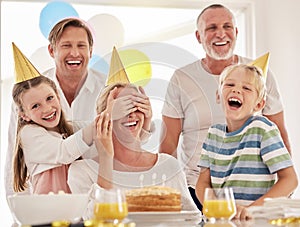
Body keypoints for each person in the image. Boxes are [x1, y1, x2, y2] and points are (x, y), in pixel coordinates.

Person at [159, 4, 291, 211]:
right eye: (211, 28)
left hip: (257, 195)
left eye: (227, 26)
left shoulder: (260, 78)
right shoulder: (182, 80)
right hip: (199, 192)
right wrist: (170, 192)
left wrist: (280, 195)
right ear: (198, 36)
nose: (220, 33)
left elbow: (280, 135)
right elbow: (168, 144)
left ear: (236, 32)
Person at [67, 82, 200, 219]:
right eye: (122, 108)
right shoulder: (81, 172)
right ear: (104, 117)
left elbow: (192, 219)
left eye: (136, 106)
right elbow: (97, 221)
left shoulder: (169, 166)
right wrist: (106, 158)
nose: (131, 114)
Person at [195, 62, 298, 220]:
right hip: (222, 222)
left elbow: (290, 180)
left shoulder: (263, 129)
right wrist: (215, 208)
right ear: (218, 95)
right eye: (230, 84)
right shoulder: (213, 134)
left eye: (247, 88)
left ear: (259, 104)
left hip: (256, 221)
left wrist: (252, 211)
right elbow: (202, 184)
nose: (236, 89)